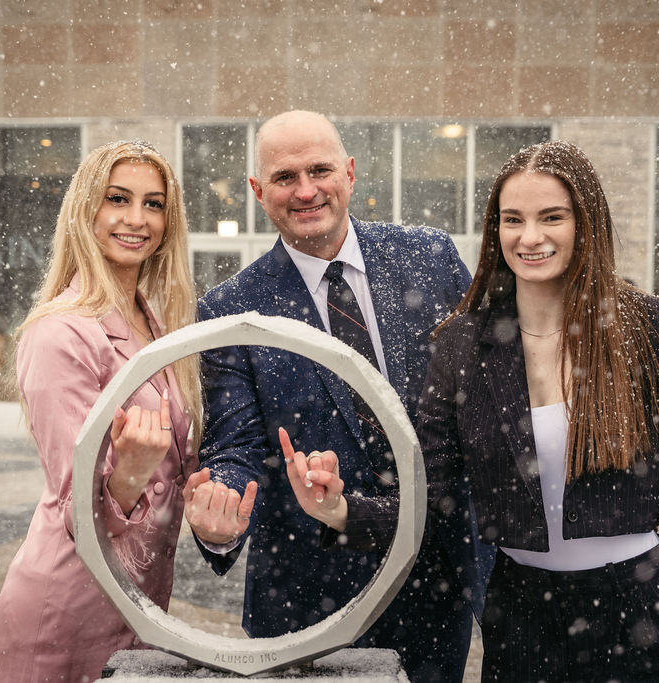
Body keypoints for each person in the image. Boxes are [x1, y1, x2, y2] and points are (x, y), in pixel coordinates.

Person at [307, 140, 659, 681]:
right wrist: (342, 511)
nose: (529, 237)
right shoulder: (463, 345)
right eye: (513, 220)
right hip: (523, 616)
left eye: (551, 217)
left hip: (643, 611)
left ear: (586, 223)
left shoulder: (650, 331)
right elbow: (428, 498)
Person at [182, 110, 492, 682]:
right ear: (257, 190)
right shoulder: (230, 310)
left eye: (320, 169)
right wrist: (220, 513)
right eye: (284, 177)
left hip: (433, 585)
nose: (306, 191)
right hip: (307, 600)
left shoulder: (431, 258)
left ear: (349, 172)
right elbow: (236, 446)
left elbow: (480, 409)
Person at [0, 140, 202, 682]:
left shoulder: (156, 323)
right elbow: (76, 506)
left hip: (138, 612)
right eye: (117, 199)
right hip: (64, 618)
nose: (136, 219)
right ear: (87, 211)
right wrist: (128, 475)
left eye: (154, 204)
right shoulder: (59, 332)